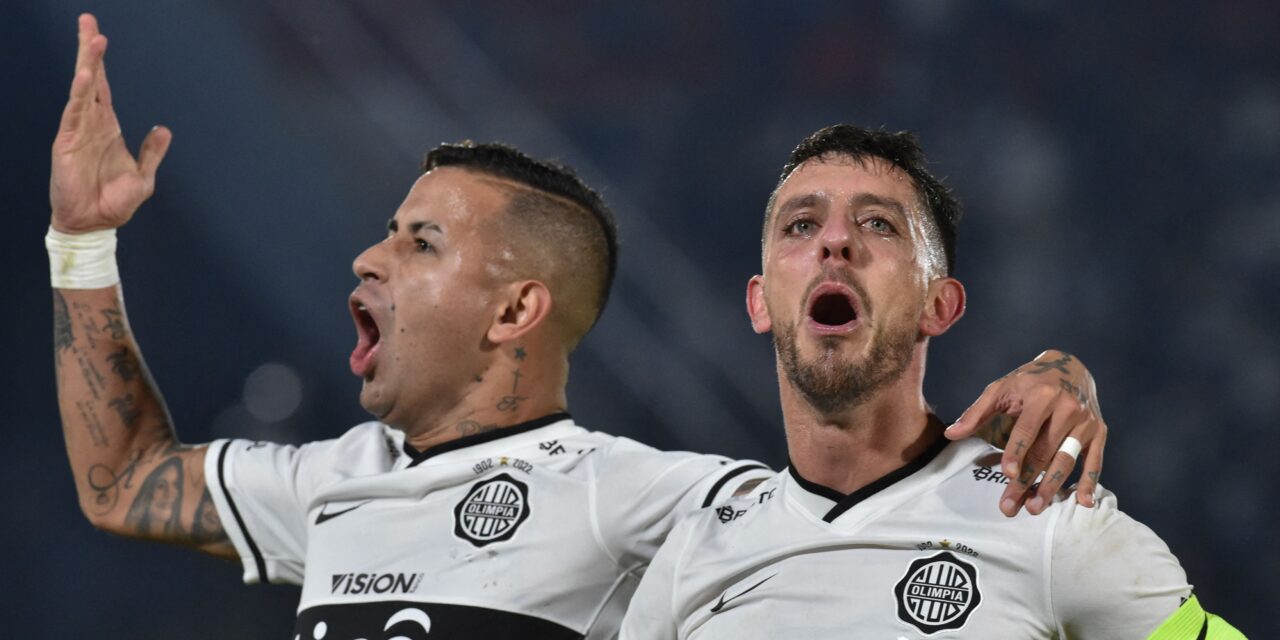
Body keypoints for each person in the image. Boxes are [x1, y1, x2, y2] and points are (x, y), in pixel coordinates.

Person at [49, 15, 1109, 639]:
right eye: (386, 232)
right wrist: (81, 245)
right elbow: (121, 479)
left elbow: (870, 504)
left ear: (516, 310)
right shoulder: (331, 483)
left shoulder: (628, 494)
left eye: (420, 243)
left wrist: (1057, 372)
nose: (369, 258)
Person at [618, 125, 1243, 639]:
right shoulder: (692, 557)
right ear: (759, 304)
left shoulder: (1046, 526)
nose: (835, 241)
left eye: (879, 224)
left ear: (938, 306)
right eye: (801, 225)